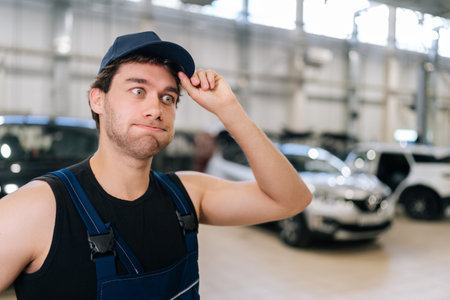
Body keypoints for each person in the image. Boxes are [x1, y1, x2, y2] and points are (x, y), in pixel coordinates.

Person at [0, 31, 311, 299]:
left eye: (168, 97)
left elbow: (292, 198)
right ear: (98, 100)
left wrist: (229, 110)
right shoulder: (36, 209)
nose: (155, 108)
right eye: (138, 90)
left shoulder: (188, 195)